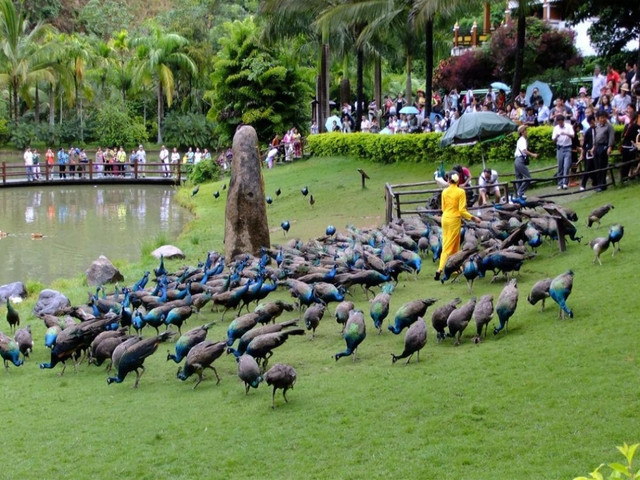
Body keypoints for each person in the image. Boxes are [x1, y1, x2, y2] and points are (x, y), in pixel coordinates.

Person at [433, 171, 481, 281]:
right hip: (454, 220)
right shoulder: (461, 192)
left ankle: (455, 267)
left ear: (448, 180)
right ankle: (440, 270)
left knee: (454, 244)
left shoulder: (445, 192)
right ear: (458, 180)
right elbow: (462, 210)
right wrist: (473, 218)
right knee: (448, 246)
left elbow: (443, 208)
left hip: (445, 219)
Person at [514, 125, 538, 199]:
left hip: (517, 160)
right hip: (520, 159)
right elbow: (524, 150)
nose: (526, 132)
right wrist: (533, 154)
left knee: (519, 178)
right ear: (522, 132)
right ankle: (520, 192)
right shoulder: (522, 140)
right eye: (525, 130)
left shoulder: (521, 140)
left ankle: (519, 194)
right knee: (528, 177)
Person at [593, 110, 615, 191]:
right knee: (597, 166)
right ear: (598, 118)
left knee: (602, 166)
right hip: (597, 147)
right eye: (601, 118)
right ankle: (599, 184)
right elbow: (595, 137)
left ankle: (602, 185)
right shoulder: (597, 126)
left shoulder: (609, 126)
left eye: (604, 117)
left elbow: (611, 137)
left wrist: (609, 147)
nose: (603, 119)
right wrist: (593, 146)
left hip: (604, 146)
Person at [551, 114, 574, 189]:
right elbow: (553, 141)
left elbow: (573, 136)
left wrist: (566, 134)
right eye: (559, 122)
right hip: (560, 148)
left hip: (568, 147)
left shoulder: (568, 126)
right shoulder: (556, 128)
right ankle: (560, 183)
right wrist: (557, 136)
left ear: (563, 121)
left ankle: (565, 183)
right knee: (560, 166)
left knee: (566, 166)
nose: (560, 124)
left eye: (561, 122)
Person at [620, 110, 639, 181]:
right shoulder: (635, 126)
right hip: (630, 147)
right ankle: (626, 177)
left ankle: (625, 177)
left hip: (624, 146)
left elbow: (623, 135)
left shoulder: (627, 125)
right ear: (636, 118)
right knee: (629, 163)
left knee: (625, 163)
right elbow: (636, 137)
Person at [580, 115, 597, 191]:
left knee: (596, 167)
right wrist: (582, 154)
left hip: (597, 151)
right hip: (589, 152)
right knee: (587, 168)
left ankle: (596, 182)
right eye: (589, 123)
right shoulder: (588, 132)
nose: (591, 124)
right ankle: (583, 184)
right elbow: (584, 145)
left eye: (592, 122)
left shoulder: (598, 129)